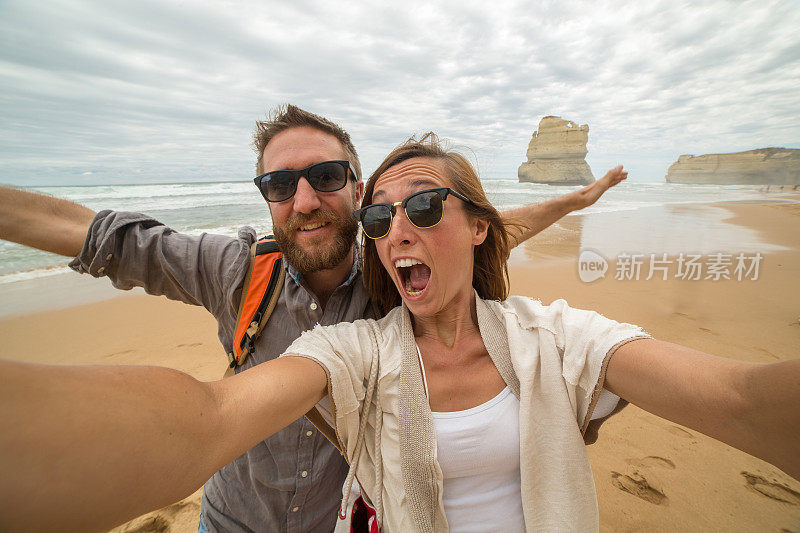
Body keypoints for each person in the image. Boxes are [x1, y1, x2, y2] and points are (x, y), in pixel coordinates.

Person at [1, 134, 798, 533]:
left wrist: (576, 201)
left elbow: (734, 398)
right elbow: (207, 417)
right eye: (280, 183)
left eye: (326, 179)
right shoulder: (326, 324)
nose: (304, 196)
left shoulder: (551, 338)